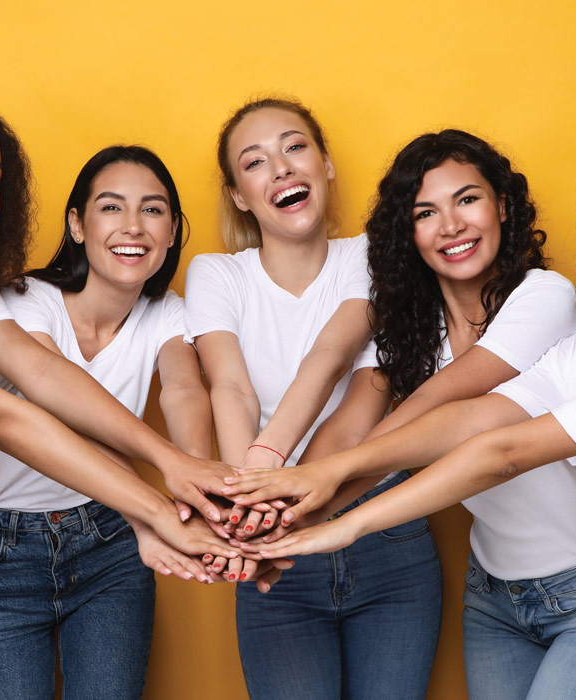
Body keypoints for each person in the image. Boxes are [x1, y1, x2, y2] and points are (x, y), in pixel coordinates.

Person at [234, 151, 576, 700]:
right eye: (426, 213)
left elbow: (469, 420)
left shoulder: (544, 296)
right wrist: (287, 521)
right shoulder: (413, 334)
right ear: (408, 233)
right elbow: (365, 425)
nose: (451, 226)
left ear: (504, 207)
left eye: (467, 199)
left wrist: (325, 496)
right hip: (493, 595)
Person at [184, 97, 441, 700]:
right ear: (240, 195)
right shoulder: (216, 274)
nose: (281, 168)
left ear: (325, 164)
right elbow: (230, 386)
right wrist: (254, 501)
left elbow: (341, 369)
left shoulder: (374, 255)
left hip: (384, 534)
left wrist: (268, 479)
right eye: (256, 161)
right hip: (274, 544)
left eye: (295, 147)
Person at [0, 144, 225, 699]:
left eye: (153, 210)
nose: (134, 226)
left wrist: (199, 483)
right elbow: (48, 392)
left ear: (173, 231)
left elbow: (183, 387)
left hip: (109, 541)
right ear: (76, 224)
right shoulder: (23, 298)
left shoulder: (167, 311)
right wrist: (157, 493)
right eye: (111, 207)